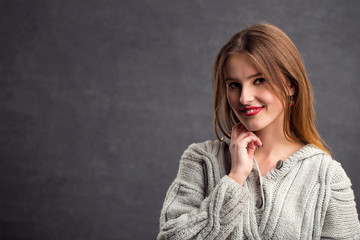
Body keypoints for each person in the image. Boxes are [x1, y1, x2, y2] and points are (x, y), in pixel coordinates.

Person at [157, 23, 360, 239]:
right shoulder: (201, 161)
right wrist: (235, 178)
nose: (244, 97)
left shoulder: (326, 176)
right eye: (234, 85)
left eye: (259, 80)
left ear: (291, 85)